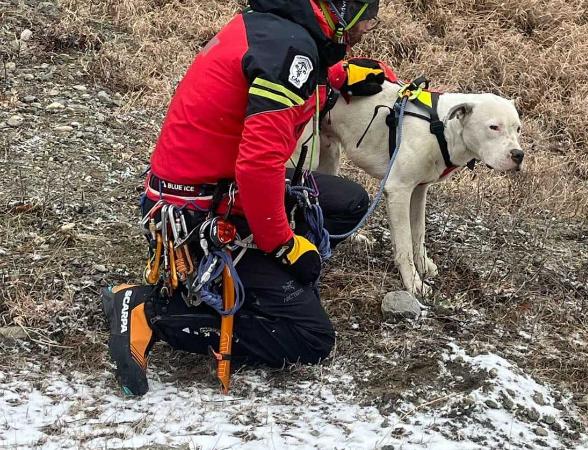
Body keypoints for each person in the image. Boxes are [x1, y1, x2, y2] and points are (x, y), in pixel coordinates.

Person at [100, 0, 388, 396]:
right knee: (310, 338)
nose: (364, 33)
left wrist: (337, 76)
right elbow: (258, 164)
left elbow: (272, 77)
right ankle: (152, 311)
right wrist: (283, 245)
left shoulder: (271, 29)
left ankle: (262, 282)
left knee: (347, 203)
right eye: (365, 24)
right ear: (342, 12)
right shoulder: (290, 50)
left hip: (213, 186)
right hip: (198, 215)